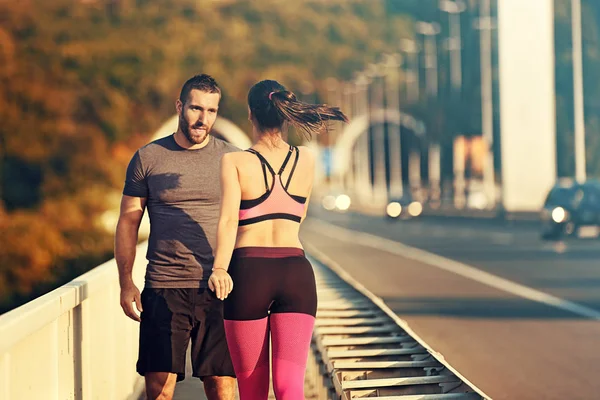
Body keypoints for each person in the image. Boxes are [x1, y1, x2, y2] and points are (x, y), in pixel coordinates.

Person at [208, 79, 348, 399]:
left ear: (250, 115)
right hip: (295, 273)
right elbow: (299, 216)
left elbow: (229, 220)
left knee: (253, 391)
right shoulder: (307, 160)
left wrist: (219, 269)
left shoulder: (235, 161)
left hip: (248, 274)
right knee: (289, 387)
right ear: (286, 115)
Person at [115, 74, 238, 400]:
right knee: (160, 390)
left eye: (211, 111)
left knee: (221, 388)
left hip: (217, 288)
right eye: (196, 108)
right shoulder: (148, 158)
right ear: (180, 106)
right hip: (163, 287)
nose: (203, 119)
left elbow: (249, 222)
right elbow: (128, 221)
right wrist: (125, 281)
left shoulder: (232, 158)